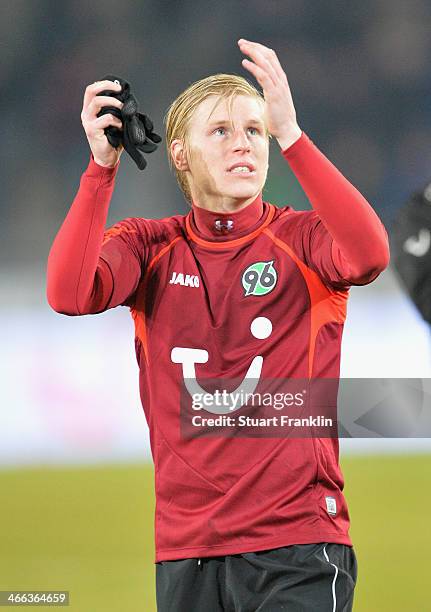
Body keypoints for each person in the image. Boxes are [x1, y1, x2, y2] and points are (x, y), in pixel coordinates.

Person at [47, 39, 389, 611]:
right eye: (222, 131)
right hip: (187, 552)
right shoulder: (149, 245)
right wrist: (100, 169)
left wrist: (294, 136)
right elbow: (68, 294)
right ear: (179, 153)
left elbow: (370, 255)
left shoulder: (302, 238)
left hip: (298, 546)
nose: (244, 146)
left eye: (255, 131)